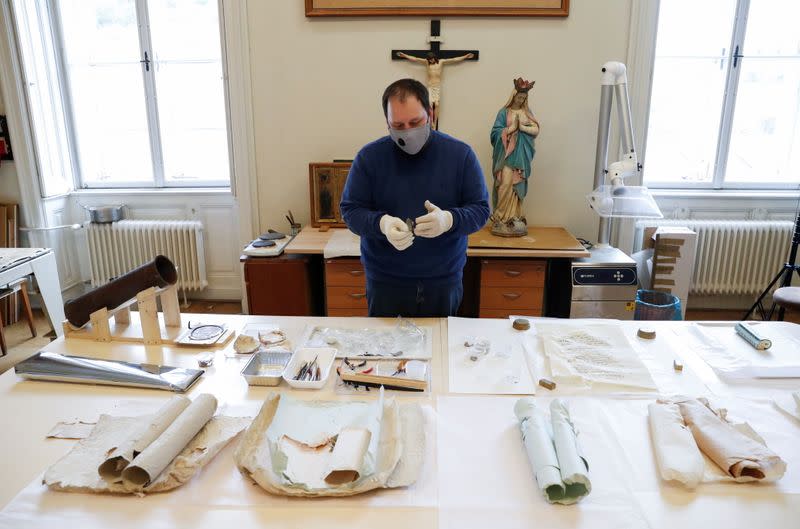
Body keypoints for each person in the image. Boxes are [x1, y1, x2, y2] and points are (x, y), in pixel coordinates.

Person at [340, 78, 490, 317]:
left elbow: (481, 210)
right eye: (398, 125)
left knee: (440, 350)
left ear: (430, 113)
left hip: (442, 282)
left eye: (415, 122)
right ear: (387, 122)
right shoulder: (369, 158)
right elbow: (350, 211)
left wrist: (449, 220)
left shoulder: (460, 155)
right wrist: (382, 224)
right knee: (387, 353)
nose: (408, 131)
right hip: (386, 283)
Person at [490, 77, 540, 237]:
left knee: (516, 184)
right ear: (513, 96)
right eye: (519, 97)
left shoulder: (527, 112)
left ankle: (514, 217)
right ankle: (501, 217)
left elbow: (536, 130)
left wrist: (522, 128)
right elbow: (495, 133)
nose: (521, 100)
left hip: (521, 156)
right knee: (505, 183)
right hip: (507, 155)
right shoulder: (503, 112)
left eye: (523, 98)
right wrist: (511, 128)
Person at [395, 51, 474, 130]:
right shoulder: (426, 63)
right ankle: (431, 122)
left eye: (432, 59)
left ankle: (435, 122)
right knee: (429, 104)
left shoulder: (441, 62)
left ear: (434, 58)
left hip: (437, 87)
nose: (431, 61)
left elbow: (454, 59)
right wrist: (404, 55)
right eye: (429, 60)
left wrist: (466, 56)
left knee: (436, 104)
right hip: (430, 86)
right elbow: (415, 59)